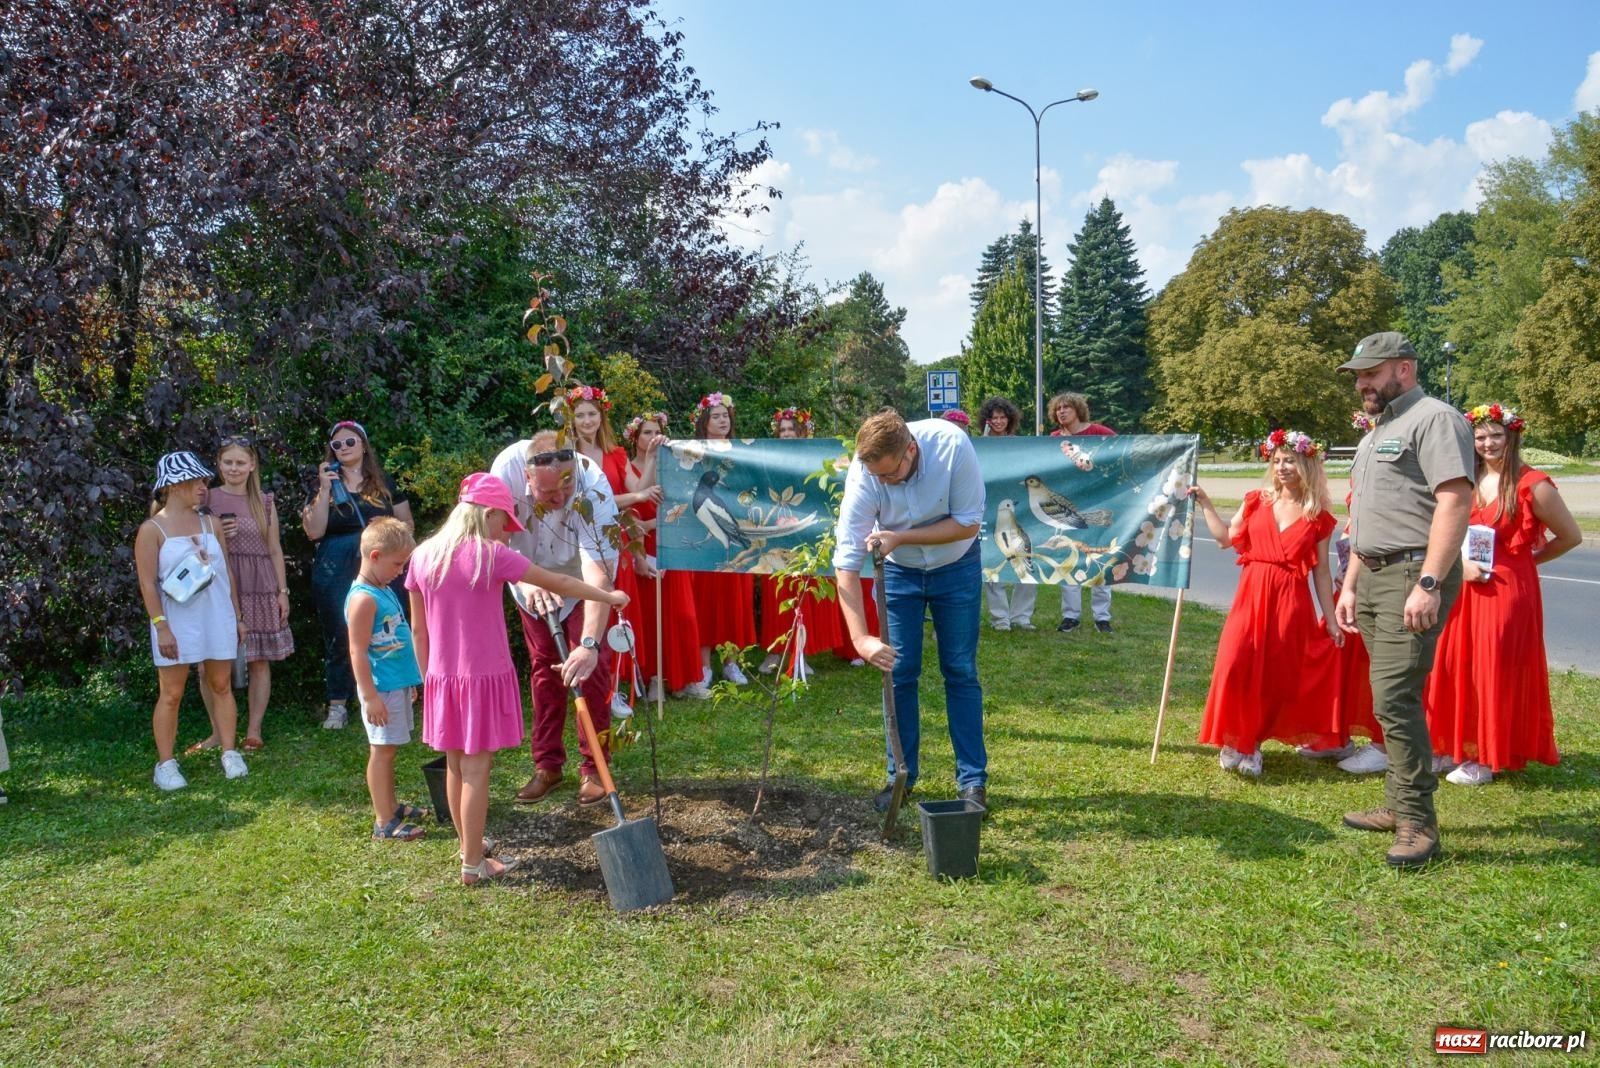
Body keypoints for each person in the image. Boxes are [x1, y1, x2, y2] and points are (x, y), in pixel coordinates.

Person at [407, 474, 627, 885]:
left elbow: (418, 631)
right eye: (503, 523)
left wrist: (428, 679)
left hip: (441, 677)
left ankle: (468, 847)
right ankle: (473, 865)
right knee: (476, 771)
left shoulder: (422, 555)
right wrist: (609, 597)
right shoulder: (491, 555)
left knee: (456, 765)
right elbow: (560, 582)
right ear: (487, 514)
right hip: (481, 678)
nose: (506, 532)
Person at [1334, 331, 1475, 869]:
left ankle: (1418, 822)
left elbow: (1454, 499)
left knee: (1395, 697)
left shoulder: (1435, 419)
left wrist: (1430, 583)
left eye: (1372, 373)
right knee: (1388, 696)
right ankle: (1398, 804)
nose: (1362, 384)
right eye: (1358, 376)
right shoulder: (1379, 431)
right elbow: (1366, 515)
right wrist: (1351, 583)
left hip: (1413, 574)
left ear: (1404, 369)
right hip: (1373, 575)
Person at [833, 408, 988, 810]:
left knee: (960, 670)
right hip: (899, 573)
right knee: (898, 672)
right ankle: (900, 777)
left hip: (956, 564)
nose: (883, 482)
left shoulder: (952, 445)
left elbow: (968, 523)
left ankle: (972, 782)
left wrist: (900, 536)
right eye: (877, 476)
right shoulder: (865, 472)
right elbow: (846, 562)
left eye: (890, 474)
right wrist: (861, 639)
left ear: (911, 451)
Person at [1425, 404, 1582, 786]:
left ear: (1511, 436)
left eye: (1496, 435)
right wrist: (1461, 564)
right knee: (1453, 664)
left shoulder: (1533, 484)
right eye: (1480, 436)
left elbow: (1571, 536)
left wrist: (1524, 561)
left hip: (1506, 590)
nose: (1488, 443)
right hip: (1463, 584)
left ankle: (1485, 756)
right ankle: (1450, 744)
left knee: (1492, 668)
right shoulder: (1467, 479)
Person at [1190, 430, 1342, 777]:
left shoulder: (1318, 516)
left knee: (1273, 677)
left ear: (1306, 465)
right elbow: (1225, 539)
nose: (1282, 467)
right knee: (1233, 664)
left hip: (1291, 602)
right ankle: (1233, 738)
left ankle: (1252, 744)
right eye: (1277, 461)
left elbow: (1321, 572)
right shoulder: (1256, 500)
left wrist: (1331, 619)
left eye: (1290, 460)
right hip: (1251, 595)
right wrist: (1206, 503)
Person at [489, 430, 626, 805]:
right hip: (527, 576)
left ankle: (595, 766)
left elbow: (598, 572)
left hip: (580, 581)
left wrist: (589, 645)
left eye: (566, 489)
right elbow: (496, 542)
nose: (560, 499)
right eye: (548, 493)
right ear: (527, 476)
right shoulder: (505, 471)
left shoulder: (593, 485)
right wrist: (524, 580)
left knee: (591, 668)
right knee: (544, 668)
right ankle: (547, 765)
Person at [134, 451, 249, 790]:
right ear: (173, 485)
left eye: (204, 481)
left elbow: (226, 572)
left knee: (221, 685)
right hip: (176, 622)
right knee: (171, 693)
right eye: (196, 481)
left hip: (216, 616)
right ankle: (166, 764)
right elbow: (147, 584)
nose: (203, 486)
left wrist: (237, 617)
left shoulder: (210, 522)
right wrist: (161, 627)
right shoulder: (151, 530)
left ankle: (230, 752)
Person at [301, 421, 413, 731]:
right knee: (339, 631)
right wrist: (324, 489)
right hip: (336, 567)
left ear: (363, 445)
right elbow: (313, 531)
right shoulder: (322, 487)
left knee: (389, 627)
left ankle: (396, 692)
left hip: (380, 565)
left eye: (350, 441)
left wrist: (387, 533)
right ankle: (337, 703)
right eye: (337, 444)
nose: (344, 448)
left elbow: (407, 526)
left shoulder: (384, 482)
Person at [187, 436, 294, 753]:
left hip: (259, 585)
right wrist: (216, 533)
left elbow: (275, 550)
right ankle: (217, 732)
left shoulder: (265, 502)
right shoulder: (206, 497)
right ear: (219, 465)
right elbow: (188, 541)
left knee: (258, 660)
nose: (234, 468)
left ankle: (253, 730)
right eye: (228, 462)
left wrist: (282, 591)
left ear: (252, 465)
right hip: (219, 585)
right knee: (207, 664)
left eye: (240, 462)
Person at [568, 384, 657, 715]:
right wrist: (636, 497)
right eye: (580, 415)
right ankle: (599, 686)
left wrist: (650, 457)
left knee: (620, 614)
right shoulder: (567, 456)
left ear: (601, 416)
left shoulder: (616, 454)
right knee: (594, 615)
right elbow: (586, 501)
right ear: (572, 420)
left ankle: (619, 685)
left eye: (592, 414)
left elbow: (639, 488)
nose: (587, 421)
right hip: (583, 543)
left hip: (616, 541)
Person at [347, 517, 428, 841]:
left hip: (395, 685)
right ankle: (384, 821)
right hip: (380, 689)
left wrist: (408, 682)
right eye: (397, 564)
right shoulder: (363, 599)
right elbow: (357, 651)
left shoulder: (382, 590)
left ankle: (392, 805)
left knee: (390, 749)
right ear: (375, 556)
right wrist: (370, 697)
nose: (401, 570)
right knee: (382, 751)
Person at [621, 412, 705, 699]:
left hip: (672, 541)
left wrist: (653, 524)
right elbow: (628, 507)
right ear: (635, 438)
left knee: (683, 614)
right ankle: (655, 678)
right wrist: (640, 534)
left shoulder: (674, 466)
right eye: (647, 432)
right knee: (652, 615)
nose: (653, 437)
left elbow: (686, 505)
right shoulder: (628, 468)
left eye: (657, 432)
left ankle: (686, 678)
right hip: (641, 545)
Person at [758, 407, 843, 673]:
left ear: (803, 432)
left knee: (801, 592)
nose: (786, 434)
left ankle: (799, 653)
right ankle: (775, 652)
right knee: (776, 593)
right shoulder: (767, 459)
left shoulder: (815, 460)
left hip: (807, 534)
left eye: (791, 430)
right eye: (782, 430)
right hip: (776, 534)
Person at [687, 391, 755, 685]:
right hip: (704, 538)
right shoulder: (693, 452)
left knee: (734, 601)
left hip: (734, 529)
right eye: (715, 416)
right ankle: (704, 666)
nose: (722, 420)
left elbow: (750, 486)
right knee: (705, 601)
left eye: (725, 415)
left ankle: (731, 663)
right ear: (704, 421)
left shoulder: (742, 452)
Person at [1047, 391, 1117, 633]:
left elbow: (1121, 450)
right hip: (1067, 507)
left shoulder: (1098, 432)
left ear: (1078, 409)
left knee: (1100, 558)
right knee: (1069, 557)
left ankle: (1102, 617)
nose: (1062, 412)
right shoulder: (1053, 439)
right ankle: (1071, 616)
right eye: (1058, 409)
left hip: (1098, 503)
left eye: (1066, 407)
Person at [976, 395, 1035, 631]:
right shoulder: (980, 445)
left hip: (1021, 509)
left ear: (1010, 419)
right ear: (987, 420)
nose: (998, 421)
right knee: (993, 561)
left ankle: (1022, 616)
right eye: (993, 418)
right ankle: (1000, 618)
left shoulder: (1021, 445)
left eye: (1002, 417)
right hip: (991, 508)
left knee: (1026, 559)